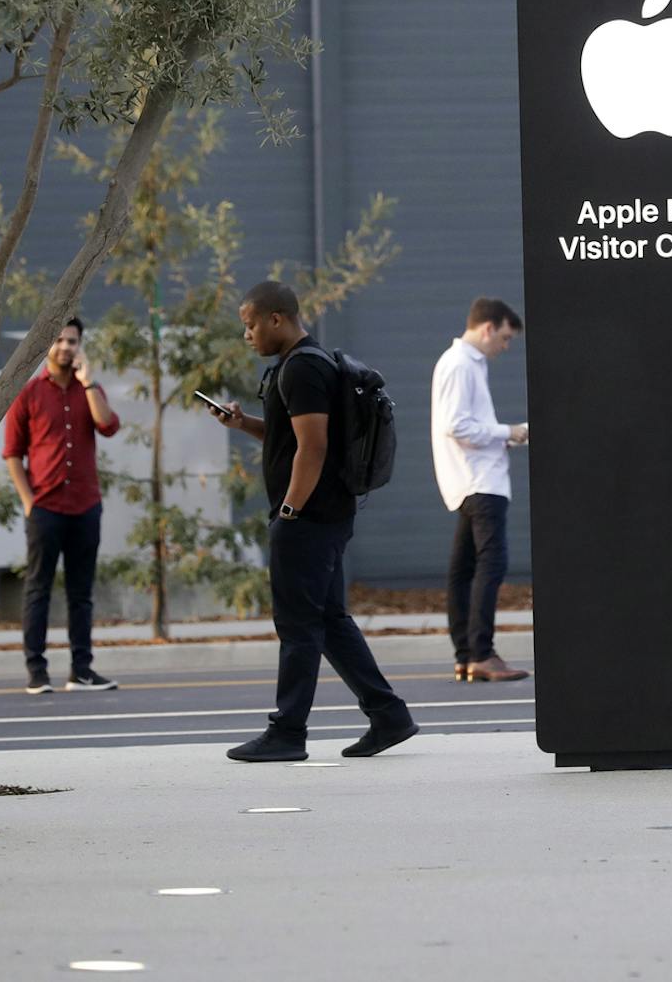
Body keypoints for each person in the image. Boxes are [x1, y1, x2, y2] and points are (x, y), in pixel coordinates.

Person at [219, 281, 417, 762]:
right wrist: (242, 423)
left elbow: (314, 446)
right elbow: (291, 436)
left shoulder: (302, 368)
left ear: (276, 319)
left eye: (249, 324)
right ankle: (389, 716)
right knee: (328, 620)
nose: (246, 335)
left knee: (299, 625)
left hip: (308, 517)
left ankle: (287, 733)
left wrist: (289, 510)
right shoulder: (300, 365)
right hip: (323, 514)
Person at [3, 316, 121, 695]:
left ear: (79, 346)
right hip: (46, 509)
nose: (65, 347)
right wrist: (28, 502)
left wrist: (89, 382)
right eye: (58, 340)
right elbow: (12, 454)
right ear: (47, 346)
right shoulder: (30, 393)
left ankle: (82, 671)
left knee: (81, 593)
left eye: (71, 341)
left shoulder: (90, 390)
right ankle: (36, 671)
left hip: (85, 507)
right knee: (38, 590)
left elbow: (108, 425)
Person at [431, 297, 531, 683]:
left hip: (469, 481)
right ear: (488, 328)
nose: (504, 347)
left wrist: (507, 437)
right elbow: (457, 426)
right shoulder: (461, 364)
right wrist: (508, 432)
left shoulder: (460, 364)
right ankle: (482, 653)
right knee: (492, 565)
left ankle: (466, 654)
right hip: (480, 482)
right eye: (504, 338)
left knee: (463, 569)